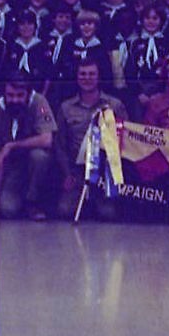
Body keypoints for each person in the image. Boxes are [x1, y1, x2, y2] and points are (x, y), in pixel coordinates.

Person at [54, 57, 125, 220]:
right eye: (83, 74)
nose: (87, 78)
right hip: (77, 171)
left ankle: (95, 202)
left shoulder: (114, 105)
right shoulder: (66, 107)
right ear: (77, 77)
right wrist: (67, 174)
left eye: (92, 74)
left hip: (104, 172)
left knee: (109, 214)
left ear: (99, 77)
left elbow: (125, 140)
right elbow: (60, 145)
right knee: (64, 211)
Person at [0, 77, 57, 221]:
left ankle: (33, 203)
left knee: (39, 157)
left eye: (19, 96)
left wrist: (13, 145)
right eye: (10, 95)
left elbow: (47, 140)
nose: (15, 100)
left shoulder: (39, 103)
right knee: (8, 210)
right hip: (13, 167)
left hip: (35, 163)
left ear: (28, 94)